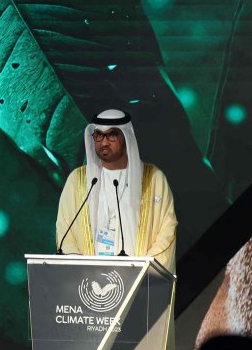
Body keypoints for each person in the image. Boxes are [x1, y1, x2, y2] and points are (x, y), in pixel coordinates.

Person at [53, 109, 177, 270]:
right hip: (89, 282)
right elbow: (65, 232)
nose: (104, 142)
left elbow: (166, 232)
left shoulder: (153, 178)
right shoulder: (77, 180)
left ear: (126, 137)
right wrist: (83, 272)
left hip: (138, 282)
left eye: (112, 135)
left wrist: (143, 273)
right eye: (98, 135)